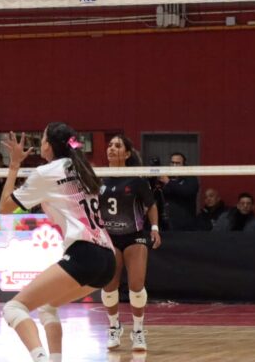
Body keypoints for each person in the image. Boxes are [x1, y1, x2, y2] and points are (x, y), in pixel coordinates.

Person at [0, 123, 115, 362]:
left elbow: (5, 208)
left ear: (49, 145)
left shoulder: (46, 172)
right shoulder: (84, 169)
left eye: (42, 139)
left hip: (84, 253)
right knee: (47, 307)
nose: (40, 143)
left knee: (13, 308)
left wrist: (14, 165)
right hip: (108, 259)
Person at [98, 135, 161, 352]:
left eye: (117, 146)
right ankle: (114, 326)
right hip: (109, 237)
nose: (112, 149)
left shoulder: (136, 180)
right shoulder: (98, 178)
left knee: (136, 286)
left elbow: (151, 205)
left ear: (126, 153)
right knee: (109, 286)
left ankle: (138, 331)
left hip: (134, 235)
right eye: (110, 145)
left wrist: (154, 228)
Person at [158, 152, 199, 231]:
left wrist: (169, 182)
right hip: (166, 224)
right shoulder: (165, 178)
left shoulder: (191, 178)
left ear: (184, 165)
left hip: (185, 224)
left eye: (177, 163)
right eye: (172, 163)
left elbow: (187, 191)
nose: (174, 166)